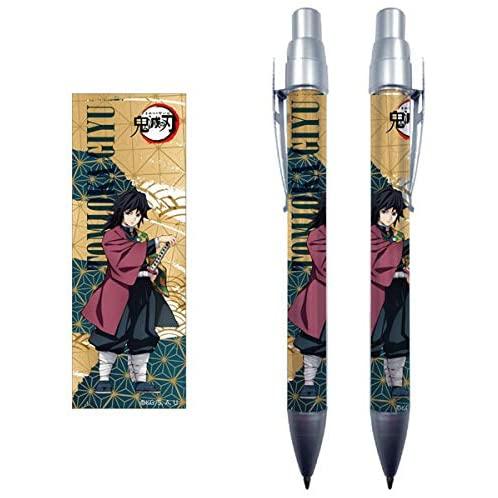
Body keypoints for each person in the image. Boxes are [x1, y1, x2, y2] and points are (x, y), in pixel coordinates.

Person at [83, 189, 178, 393]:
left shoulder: (140, 237)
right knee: (111, 335)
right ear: (121, 212)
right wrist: (156, 242)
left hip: (142, 292)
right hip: (118, 294)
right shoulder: (111, 236)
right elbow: (124, 260)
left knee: (142, 334)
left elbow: (143, 262)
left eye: (138, 214)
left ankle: (140, 380)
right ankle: (104, 378)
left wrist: (152, 272)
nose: (133, 218)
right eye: (129, 213)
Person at [371, 187, 409, 397]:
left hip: (398, 289)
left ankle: (396, 384)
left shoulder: (396, 235)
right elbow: (380, 259)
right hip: (377, 292)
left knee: (397, 335)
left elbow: (398, 258)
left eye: (394, 213)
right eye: (385, 211)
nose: (389, 217)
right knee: (377, 333)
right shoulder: (370, 235)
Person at [288, 198, 326, 399]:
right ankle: (309, 382)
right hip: (319, 299)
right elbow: (324, 266)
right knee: (314, 342)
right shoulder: (317, 236)